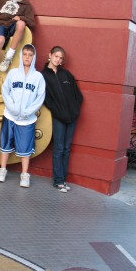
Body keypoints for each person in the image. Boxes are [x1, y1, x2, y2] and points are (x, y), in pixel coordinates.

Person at [0, 44, 46, 187]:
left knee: (25, 147)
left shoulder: (38, 77)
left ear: (34, 57)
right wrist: (11, 107)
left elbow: (40, 98)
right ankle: (2, 169)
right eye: (25, 54)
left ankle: (24, 174)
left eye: (30, 55)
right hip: (10, 116)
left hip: (27, 119)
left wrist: (28, 111)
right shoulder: (12, 73)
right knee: (5, 143)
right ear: (21, 56)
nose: (27, 57)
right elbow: (6, 92)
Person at [41, 46, 83, 193]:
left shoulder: (67, 75)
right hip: (58, 117)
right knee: (59, 149)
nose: (58, 59)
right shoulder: (43, 75)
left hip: (72, 117)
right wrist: (56, 110)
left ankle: (63, 180)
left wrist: (75, 109)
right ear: (50, 55)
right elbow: (44, 97)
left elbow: (78, 95)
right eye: (56, 56)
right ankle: (58, 181)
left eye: (60, 58)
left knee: (66, 148)